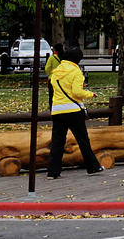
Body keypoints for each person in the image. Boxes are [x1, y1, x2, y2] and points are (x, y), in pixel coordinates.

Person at [46, 46, 104, 179]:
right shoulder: (76, 72)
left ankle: (53, 172)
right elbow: (77, 92)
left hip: (57, 110)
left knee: (57, 141)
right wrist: (90, 94)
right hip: (72, 110)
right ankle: (93, 167)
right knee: (83, 140)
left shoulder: (56, 72)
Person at [45, 43, 64, 109]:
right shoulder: (64, 58)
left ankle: (52, 108)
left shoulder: (52, 58)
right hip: (62, 79)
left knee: (52, 95)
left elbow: (47, 68)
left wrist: (49, 74)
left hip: (53, 79)